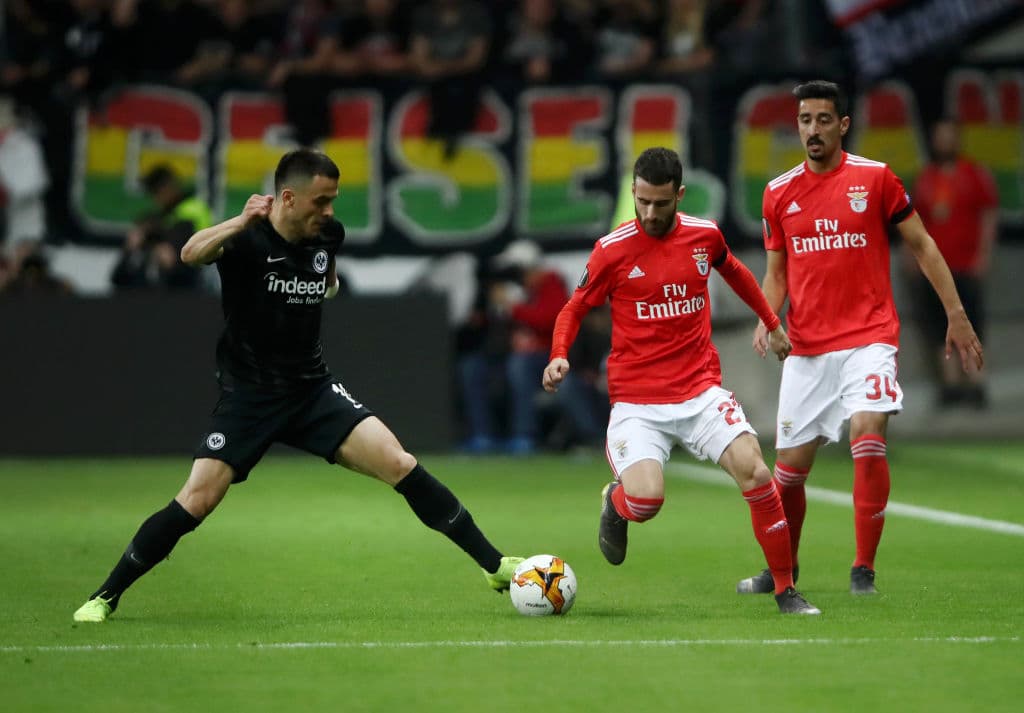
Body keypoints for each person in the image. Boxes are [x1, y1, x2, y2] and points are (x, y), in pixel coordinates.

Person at [73, 149, 522, 622]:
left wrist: (324, 284)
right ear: (287, 197)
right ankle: (105, 596)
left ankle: (493, 565)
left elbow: (326, 277)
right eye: (321, 201)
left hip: (311, 390)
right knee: (197, 499)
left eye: (333, 200)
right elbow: (189, 253)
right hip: (250, 397)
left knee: (399, 462)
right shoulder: (247, 240)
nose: (329, 211)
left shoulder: (328, 235)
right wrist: (239, 221)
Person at [542, 147, 820, 615]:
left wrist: (772, 322)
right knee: (647, 500)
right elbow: (574, 308)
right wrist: (558, 356)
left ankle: (785, 589)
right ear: (633, 193)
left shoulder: (704, 236)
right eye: (642, 202)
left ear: (680, 196)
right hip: (638, 403)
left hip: (700, 391)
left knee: (756, 471)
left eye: (661, 204)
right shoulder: (612, 251)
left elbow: (735, 272)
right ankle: (617, 501)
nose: (650, 213)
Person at [736, 81, 984, 598]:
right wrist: (767, 315)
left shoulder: (875, 179)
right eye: (805, 120)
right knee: (789, 473)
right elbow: (777, 271)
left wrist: (955, 314)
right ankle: (785, 568)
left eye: (823, 120)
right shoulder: (779, 192)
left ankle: (862, 570)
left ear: (842, 125)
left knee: (868, 435)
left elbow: (922, 243)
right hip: (808, 347)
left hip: (869, 336)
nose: (813, 130)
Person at [909, 117, 998, 408]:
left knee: (970, 323)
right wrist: (910, 256)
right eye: (940, 136)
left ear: (957, 139)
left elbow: (988, 215)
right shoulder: (926, 178)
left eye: (950, 136)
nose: (944, 142)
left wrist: (983, 255)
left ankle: (976, 385)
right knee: (937, 326)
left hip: (965, 264)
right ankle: (950, 386)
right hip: (934, 268)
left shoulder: (974, 173)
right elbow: (912, 222)